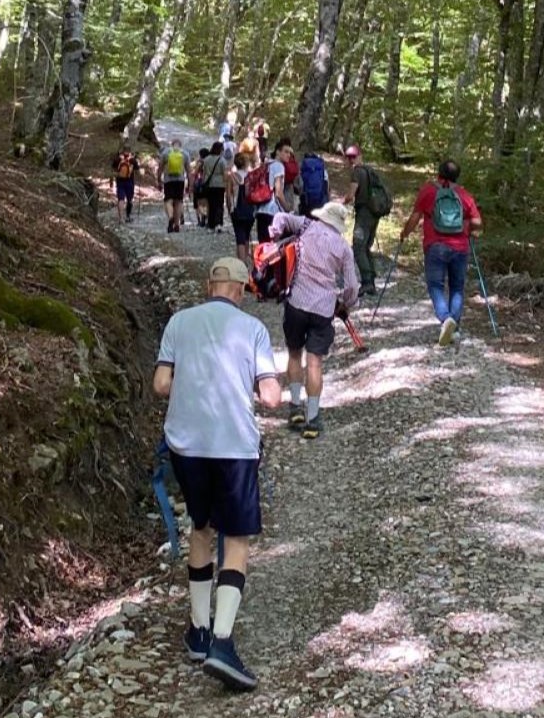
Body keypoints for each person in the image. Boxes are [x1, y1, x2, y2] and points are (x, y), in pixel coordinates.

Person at [153, 257, 282, 691]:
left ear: (210, 284)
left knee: (202, 528)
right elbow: (270, 397)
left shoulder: (179, 323)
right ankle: (223, 642)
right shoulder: (254, 331)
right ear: (243, 291)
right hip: (233, 448)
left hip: (186, 445)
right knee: (239, 540)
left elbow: (161, 385)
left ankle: (196, 631)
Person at [268, 201, 360, 439]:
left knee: (295, 354)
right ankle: (313, 418)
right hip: (323, 308)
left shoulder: (306, 226)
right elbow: (351, 287)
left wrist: (274, 233)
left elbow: (280, 217)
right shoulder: (343, 247)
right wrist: (345, 304)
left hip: (297, 302)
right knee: (315, 362)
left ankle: (295, 406)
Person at [398, 159, 483, 347]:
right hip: (460, 247)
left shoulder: (428, 191)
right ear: (457, 176)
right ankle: (455, 326)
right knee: (457, 287)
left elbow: (415, 217)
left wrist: (404, 234)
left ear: (439, 173)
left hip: (435, 246)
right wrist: (469, 228)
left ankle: (445, 320)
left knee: (435, 285)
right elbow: (477, 222)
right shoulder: (464, 195)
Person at [340, 145, 385, 294]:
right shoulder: (369, 170)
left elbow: (351, 195)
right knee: (366, 246)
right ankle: (370, 281)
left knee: (358, 247)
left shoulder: (357, 172)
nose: (351, 160)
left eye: (353, 157)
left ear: (360, 156)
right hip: (374, 213)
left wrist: (337, 204)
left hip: (364, 214)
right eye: (349, 157)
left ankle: (367, 282)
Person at [251, 139, 290, 245]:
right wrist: (287, 209)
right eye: (286, 152)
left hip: (260, 209)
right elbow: (278, 192)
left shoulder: (266, 164)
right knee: (273, 247)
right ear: (278, 151)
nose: (288, 155)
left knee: (263, 244)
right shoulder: (279, 166)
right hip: (273, 211)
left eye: (290, 153)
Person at [227, 151, 256, 264]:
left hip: (237, 209)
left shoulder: (232, 177)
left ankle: (241, 262)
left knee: (239, 236)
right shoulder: (251, 176)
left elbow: (228, 195)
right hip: (250, 209)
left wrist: (229, 209)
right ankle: (246, 258)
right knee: (246, 235)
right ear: (246, 163)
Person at [159, 138, 192, 233]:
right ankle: (177, 225)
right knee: (178, 201)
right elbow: (189, 171)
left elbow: (160, 168)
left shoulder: (166, 153)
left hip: (168, 181)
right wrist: (190, 185)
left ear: (172, 144)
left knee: (168, 200)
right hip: (180, 181)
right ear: (180, 145)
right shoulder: (185, 154)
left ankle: (170, 217)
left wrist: (158, 180)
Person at [201, 140, 227, 231]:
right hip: (220, 184)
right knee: (219, 204)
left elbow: (204, 173)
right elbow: (225, 174)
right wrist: (226, 184)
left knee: (211, 204)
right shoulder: (222, 160)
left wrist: (203, 182)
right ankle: (219, 223)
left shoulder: (207, 159)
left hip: (209, 184)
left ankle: (211, 224)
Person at [112, 145, 139, 223]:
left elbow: (113, 169)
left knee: (121, 199)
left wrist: (111, 180)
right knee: (129, 200)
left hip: (120, 181)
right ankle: (128, 216)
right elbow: (137, 169)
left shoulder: (118, 159)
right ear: (130, 151)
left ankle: (121, 219)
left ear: (123, 151)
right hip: (130, 182)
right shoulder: (132, 160)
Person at [297, 150, 329, 218]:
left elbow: (300, 187)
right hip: (321, 202)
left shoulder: (303, 170)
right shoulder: (322, 170)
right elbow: (327, 187)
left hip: (306, 203)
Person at [193, 146, 211, 228]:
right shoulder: (210, 162)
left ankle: (201, 219)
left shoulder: (200, 162)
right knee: (207, 202)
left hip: (199, 183)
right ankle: (206, 217)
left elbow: (195, 173)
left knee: (199, 202)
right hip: (208, 183)